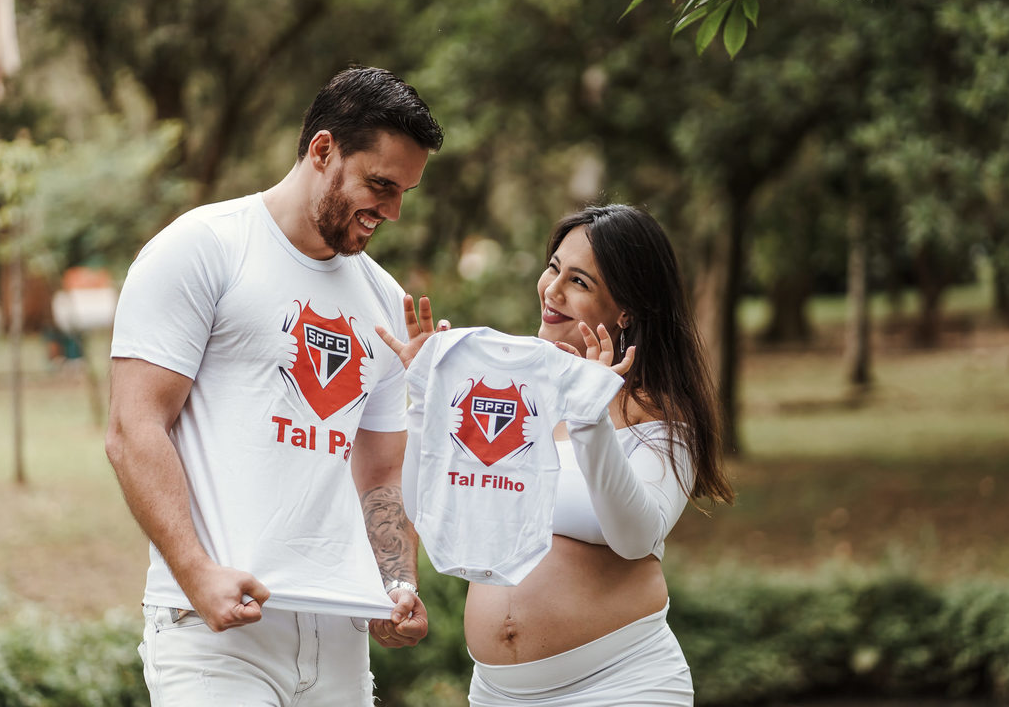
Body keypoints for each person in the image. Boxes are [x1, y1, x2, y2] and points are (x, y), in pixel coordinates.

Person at [104, 66, 444, 706]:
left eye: (405, 193)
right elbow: (133, 429)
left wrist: (395, 583)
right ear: (323, 151)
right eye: (380, 185)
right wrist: (197, 575)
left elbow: (379, 476)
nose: (393, 212)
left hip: (339, 637)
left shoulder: (386, 303)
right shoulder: (203, 249)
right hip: (215, 629)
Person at [378, 204, 734, 706]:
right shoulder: (513, 390)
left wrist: (590, 414)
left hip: (619, 687)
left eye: (580, 281)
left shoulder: (660, 415)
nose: (552, 290)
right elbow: (424, 506)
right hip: (498, 694)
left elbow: (635, 537)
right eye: (553, 268)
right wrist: (425, 402)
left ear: (626, 307)